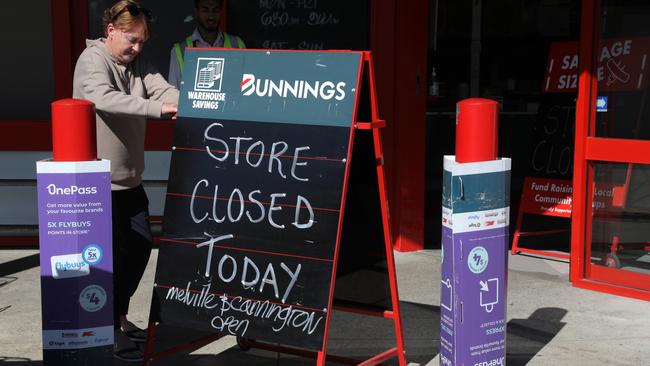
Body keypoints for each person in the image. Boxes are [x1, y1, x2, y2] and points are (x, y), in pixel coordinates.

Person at [72, 0, 179, 362]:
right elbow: (102, 98)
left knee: (138, 249)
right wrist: (157, 109)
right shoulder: (93, 60)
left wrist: (197, 103)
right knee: (109, 261)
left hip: (129, 181)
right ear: (111, 30)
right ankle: (108, 328)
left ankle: (118, 316)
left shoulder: (138, 64)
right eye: (131, 40)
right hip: (96, 185)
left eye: (143, 42)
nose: (137, 48)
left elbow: (163, 90)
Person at [168, 0, 245, 88]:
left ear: (221, 12)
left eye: (215, 10)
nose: (211, 16)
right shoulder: (179, 51)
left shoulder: (238, 45)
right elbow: (173, 95)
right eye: (205, 10)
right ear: (196, 12)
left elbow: (245, 87)